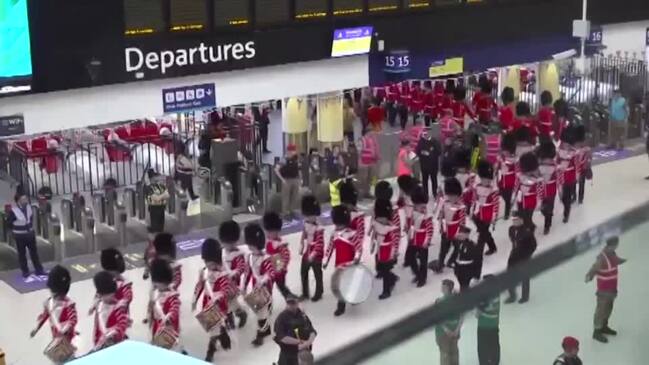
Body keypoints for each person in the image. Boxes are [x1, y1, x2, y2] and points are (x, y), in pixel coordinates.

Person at [192, 239, 232, 361]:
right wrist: (194, 299)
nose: (208, 264)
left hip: (220, 305)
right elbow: (199, 286)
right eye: (206, 261)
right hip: (207, 304)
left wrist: (218, 296)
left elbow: (225, 289)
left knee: (215, 328)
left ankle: (211, 349)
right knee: (213, 327)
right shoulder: (203, 272)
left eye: (210, 262)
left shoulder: (222, 274)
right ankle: (222, 334)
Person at [30, 265, 78, 363]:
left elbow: (73, 319)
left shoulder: (69, 304)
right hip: (56, 336)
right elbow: (44, 316)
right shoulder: (49, 303)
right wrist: (36, 328)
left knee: (68, 356)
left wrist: (66, 328)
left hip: (66, 337)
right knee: (58, 357)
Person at [585, 236, 626, 343]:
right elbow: (594, 268)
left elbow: (616, 261)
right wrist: (589, 276)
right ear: (612, 245)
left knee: (608, 308)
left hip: (612, 288)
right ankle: (597, 331)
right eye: (617, 244)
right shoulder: (602, 258)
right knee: (601, 310)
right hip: (604, 290)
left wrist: (623, 261)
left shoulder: (612, 253)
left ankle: (604, 326)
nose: (617, 246)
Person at [324, 205, 361, 316]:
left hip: (351, 264)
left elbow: (358, 247)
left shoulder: (352, 234)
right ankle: (341, 305)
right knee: (340, 286)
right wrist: (326, 260)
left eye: (340, 224)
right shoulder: (334, 235)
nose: (338, 226)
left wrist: (357, 257)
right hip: (339, 265)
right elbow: (330, 248)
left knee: (351, 283)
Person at [243, 223, 276, 346]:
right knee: (260, 311)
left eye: (251, 245)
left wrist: (262, 280)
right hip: (255, 288)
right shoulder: (249, 257)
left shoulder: (266, 258)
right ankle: (266, 329)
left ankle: (260, 334)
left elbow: (271, 273)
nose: (249, 247)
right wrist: (243, 286)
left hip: (265, 289)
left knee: (261, 312)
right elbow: (247, 272)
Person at [89, 248, 133, 323]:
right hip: (103, 316)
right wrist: (94, 304)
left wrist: (116, 303)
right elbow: (98, 294)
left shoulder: (124, 284)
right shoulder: (105, 280)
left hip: (117, 317)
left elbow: (127, 299)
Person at [218, 220, 248, 329]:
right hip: (223, 284)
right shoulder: (221, 253)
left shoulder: (238, 255)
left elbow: (241, 267)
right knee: (229, 304)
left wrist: (234, 273)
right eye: (226, 243)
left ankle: (238, 315)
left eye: (231, 243)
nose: (229, 246)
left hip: (233, 285)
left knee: (231, 303)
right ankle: (234, 317)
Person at [8, 189, 44, 277]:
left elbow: (30, 218)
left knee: (34, 252)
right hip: (20, 235)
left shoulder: (28, 207)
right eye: (23, 199)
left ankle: (39, 270)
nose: (26, 200)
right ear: (18, 200)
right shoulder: (14, 211)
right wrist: (14, 231)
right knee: (22, 254)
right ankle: (25, 271)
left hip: (30, 234)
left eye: (26, 199)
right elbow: (9, 223)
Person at [149, 259, 183, 352]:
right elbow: (153, 308)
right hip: (157, 325)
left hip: (169, 326)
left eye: (160, 283)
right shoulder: (155, 293)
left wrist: (169, 316)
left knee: (170, 348)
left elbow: (175, 309)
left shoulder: (173, 295)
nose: (157, 285)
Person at [91, 271, 130, 351]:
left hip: (115, 343)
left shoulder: (118, 307)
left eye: (112, 294)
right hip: (101, 343)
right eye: (108, 295)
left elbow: (122, 324)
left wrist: (113, 332)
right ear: (100, 294)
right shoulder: (100, 306)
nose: (112, 297)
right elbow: (97, 327)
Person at [273, 295, 317, 365]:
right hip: (288, 353)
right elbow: (282, 337)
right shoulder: (281, 318)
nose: (291, 305)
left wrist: (308, 343)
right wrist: (300, 342)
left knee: (307, 359)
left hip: (304, 350)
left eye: (293, 303)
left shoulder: (302, 315)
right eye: (289, 303)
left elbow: (312, 331)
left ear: (297, 303)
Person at [435, 178, 466, 272]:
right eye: (450, 196)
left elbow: (462, 220)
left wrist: (462, 232)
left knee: (457, 248)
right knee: (443, 250)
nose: (453, 198)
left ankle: (451, 261)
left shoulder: (461, 205)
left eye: (455, 196)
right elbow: (440, 215)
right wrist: (440, 227)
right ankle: (440, 265)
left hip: (456, 231)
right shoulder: (444, 203)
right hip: (446, 230)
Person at [505, 211, 537, 304]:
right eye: (513, 220)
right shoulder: (511, 229)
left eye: (516, 220)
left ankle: (525, 296)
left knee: (524, 277)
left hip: (523, 257)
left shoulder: (527, 231)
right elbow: (513, 240)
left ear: (521, 220)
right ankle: (512, 295)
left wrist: (526, 256)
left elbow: (533, 246)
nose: (514, 222)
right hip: (513, 255)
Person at [371, 199, 399, 299]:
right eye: (379, 218)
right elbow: (374, 235)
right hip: (380, 251)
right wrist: (373, 245)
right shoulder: (376, 224)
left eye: (383, 218)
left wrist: (395, 252)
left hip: (389, 252)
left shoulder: (392, 228)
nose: (381, 220)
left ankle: (386, 290)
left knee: (386, 271)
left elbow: (395, 241)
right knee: (381, 268)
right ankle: (392, 278)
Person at [264, 212, 295, 298]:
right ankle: (268, 304)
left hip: (279, 270)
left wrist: (280, 268)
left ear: (277, 231)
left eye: (271, 232)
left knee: (281, 286)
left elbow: (286, 256)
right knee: (268, 288)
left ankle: (291, 299)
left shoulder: (280, 244)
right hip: (270, 270)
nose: (268, 234)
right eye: (268, 231)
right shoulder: (268, 241)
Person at [299, 195, 325, 302]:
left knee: (317, 273)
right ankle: (305, 293)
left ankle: (319, 291)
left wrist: (313, 255)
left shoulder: (319, 228)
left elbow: (320, 244)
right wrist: (301, 245)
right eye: (309, 216)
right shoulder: (306, 223)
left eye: (313, 215)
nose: (311, 218)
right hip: (308, 250)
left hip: (316, 253)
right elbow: (304, 234)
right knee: (303, 271)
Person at [471, 160, 499, 255]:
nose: (486, 181)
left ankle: (479, 249)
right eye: (484, 179)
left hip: (488, 214)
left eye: (488, 180)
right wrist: (473, 209)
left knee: (483, 233)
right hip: (478, 212)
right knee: (484, 231)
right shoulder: (476, 187)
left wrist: (494, 216)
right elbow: (474, 199)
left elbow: (496, 204)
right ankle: (492, 246)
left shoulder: (493, 190)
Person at [408, 185, 433, 287]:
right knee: (410, 258)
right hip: (414, 239)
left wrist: (427, 241)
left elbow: (430, 229)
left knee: (423, 261)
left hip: (423, 240)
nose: (421, 207)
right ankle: (418, 274)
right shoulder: (413, 212)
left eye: (423, 205)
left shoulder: (427, 216)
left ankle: (422, 278)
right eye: (418, 205)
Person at [435, 279, 463, 365]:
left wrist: (446, 330)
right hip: (455, 331)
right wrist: (457, 330)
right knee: (454, 354)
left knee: (445, 355)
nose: (441, 288)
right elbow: (462, 316)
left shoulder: (439, 302)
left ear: (447, 288)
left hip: (443, 333)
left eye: (443, 287)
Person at [476, 275, 500, 365]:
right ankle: (495, 361)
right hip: (494, 325)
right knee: (494, 345)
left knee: (483, 349)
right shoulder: (497, 293)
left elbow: (477, 314)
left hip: (484, 326)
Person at [449, 226, 482, 291]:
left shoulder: (472, 245)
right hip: (460, 270)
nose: (458, 236)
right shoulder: (458, 243)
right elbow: (456, 255)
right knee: (463, 286)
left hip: (468, 270)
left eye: (461, 234)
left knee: (465, 288)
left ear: (467, 235)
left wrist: (476, 276)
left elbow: (478, 260)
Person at [513, 152, 541, 228]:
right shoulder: (520, 177)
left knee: (528, 217)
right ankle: (530, 225)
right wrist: (515, 196)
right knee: (522, 216)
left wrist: (539, 200)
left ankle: (529, 228)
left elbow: (539, 191)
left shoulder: (537, 180)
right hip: (521, 200)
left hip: (531, 201)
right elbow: (516, 187)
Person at [557, 127, 578, 223]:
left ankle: (566, 213)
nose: (564, 144)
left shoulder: (574, 152)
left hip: (570, 177)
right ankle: (566, 207)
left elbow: (576, 165)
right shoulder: (559, 150)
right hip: (561, 177)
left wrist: (576, 176)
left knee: (567, 197)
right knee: (562, 197)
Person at [538, 141, 558, 235]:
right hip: (542, 190)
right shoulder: (539, 165)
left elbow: (558, 177)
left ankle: (547, 225)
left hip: (551, 190)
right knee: (543, 208)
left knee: (549, 208)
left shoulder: (554, 165)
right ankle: (548, 215)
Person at [276, 144, 301, 219]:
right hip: (287, 180)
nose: (295, 152)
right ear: (289, 151)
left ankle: (292, 211)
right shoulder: (284, 159)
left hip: (295, 179)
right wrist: (282, 180)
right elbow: (276, 170)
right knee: (286, 198)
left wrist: (300, 179)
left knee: (294, 197)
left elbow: (298, 169)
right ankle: (285, 213)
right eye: (293, 150)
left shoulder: (296, 158)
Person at [496, 133, 517, 220]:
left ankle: (507, 213)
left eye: (506, 151)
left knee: (507, 199)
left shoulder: (514, 160)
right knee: (503, 197)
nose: (504, 152)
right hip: (501, 182)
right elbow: (498, 169)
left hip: (510, 183)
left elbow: (515, 172)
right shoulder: (501, 158)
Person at [416, 129, 441, 197]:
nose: (425, 136)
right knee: (424, 180)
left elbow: (439, 152)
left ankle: (435, 193)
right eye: (424, 134)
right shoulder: (421, 142)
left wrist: (431, 154)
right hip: (424, 165)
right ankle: (425, 194)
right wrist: (423, 153)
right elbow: (418, 151)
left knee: (434, 180)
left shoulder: (435, 141)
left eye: (426, 134)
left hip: (433, 166)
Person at [145, 170, 169, 235]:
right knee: (156, 227)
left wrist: (162, 196)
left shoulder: (160, 185)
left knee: (161, 227)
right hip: (154, 208)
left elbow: (167, 195)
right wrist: (163, 195)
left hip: (161, 207)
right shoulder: (149, 187)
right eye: (155, 176)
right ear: (151, 178)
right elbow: (156, 198)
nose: (157, 178)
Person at [358, 128, 380, 198]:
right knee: (363, 179)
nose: (373, 134)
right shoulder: (362, 140)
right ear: (367, 133)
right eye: (371, 132)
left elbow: (376, 149)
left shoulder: (373, 139)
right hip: (364, 163)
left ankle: (368, 192)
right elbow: (359, 151)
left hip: (372, 162)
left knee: (371, 178)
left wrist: (377, 158)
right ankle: (360, 194)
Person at [574, 125, 592, 205]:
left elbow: (589, 158)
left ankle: (577, 197)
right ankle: (578, 197)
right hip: (578, 167)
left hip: (580, 167)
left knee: (579, 183)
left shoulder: (578, 146)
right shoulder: (584, 147)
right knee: (578, 183)